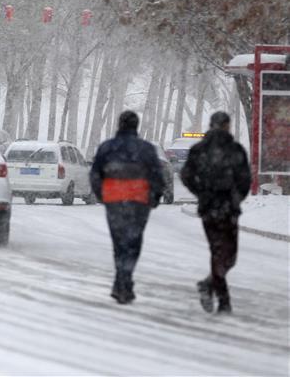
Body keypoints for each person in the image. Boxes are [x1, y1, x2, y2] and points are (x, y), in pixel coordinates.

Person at [90, 110, 165, 304]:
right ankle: (125, 279)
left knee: (119, 242)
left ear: (119, 124)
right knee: (133, 241)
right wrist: (155, 196)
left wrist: (102, 195)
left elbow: (95, 174)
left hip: (114, 200)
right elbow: (156, 175)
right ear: (136, 126)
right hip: (139, 201)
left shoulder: (107, 147)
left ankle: (121, 280)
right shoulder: (146, 149)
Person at [180, 111, 251, 314]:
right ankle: (223, 299)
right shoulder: (235, 150)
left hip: (210, 207)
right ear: (227, 126)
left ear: (211, 126)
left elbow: (186, 175)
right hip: (228, 208)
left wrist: (202, 192)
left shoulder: (199, 150)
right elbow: (244, 179)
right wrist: (235, 196)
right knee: (228, 255)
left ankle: (209, 285)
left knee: (218, 251)